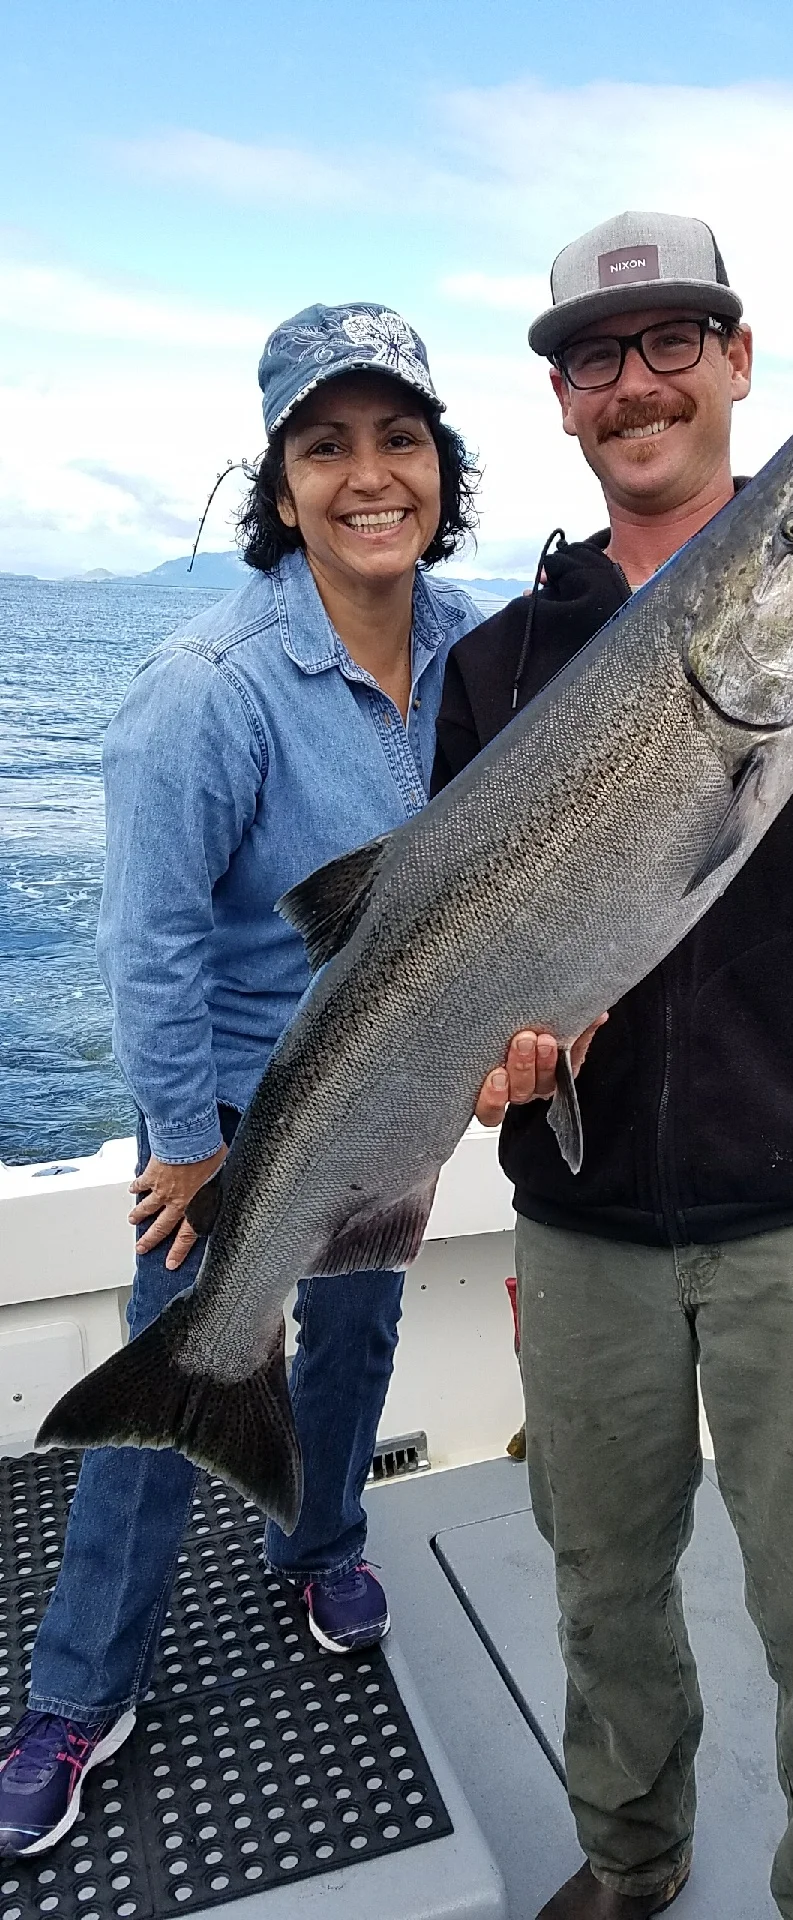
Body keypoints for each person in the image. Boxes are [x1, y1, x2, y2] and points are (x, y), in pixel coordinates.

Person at [435, 212, 793, 1920]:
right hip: (586, 1215)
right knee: (603, 1584)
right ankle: (629, 1861)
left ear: (738, 361)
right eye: (597, 358)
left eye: (677, 342)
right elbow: (459, 955)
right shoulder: (498, 663)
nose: (638, 384)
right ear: (560, 401)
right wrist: (499, 1062)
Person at [0, 300, 487, 1859]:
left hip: (399, 1076)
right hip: (231, 1108)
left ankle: (320, 1537)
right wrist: (194, 1154)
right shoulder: (205, 685)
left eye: (398, 439)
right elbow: (146, 943)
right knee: (190, 1360)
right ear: (279, 485)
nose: (368, 475)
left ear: (439, 468)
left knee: (355, 1340)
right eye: (325, 444)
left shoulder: (480, 646)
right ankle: (79, 1694)